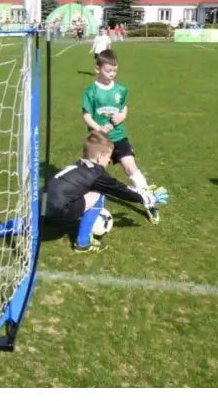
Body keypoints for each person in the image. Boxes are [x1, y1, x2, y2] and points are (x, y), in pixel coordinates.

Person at [45, 132, 167, 252]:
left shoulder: (79, 164)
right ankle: (83, 243)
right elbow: (121, 190)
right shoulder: (96, 174)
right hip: (57, 214)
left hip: (41, 207)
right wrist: (149, 198)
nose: (109, 161)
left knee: (82, 190)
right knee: (98, 194)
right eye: (108, 157)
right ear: (99, 157)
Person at [82, 49, 162, 223]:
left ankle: (148, 202)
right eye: (108, 71)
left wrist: (122, 116)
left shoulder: (120, 89)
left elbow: (124, 108)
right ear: (98, 69)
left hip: (118, 136)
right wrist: (98, 128)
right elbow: (86, 115)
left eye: (114, 71)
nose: (112, 74)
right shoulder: (90, 91)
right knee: (91, 175)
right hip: (98, 140)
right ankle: (83, 206)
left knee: (130, 167)